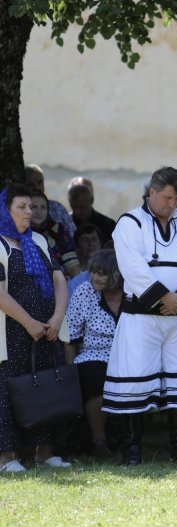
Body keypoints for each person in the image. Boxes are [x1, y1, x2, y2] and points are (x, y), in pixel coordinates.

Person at [102, 167, 177, 466]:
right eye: (167, 197)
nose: (172, 204)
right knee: (135, 379)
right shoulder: (130, 223)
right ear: (152, 192)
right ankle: (132, 449)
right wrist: (165, 297)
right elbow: (132, 267)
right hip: (141, 318)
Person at [0, 184, 71, 472]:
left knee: (45, 387)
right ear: (6, 211)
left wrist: (55, 319)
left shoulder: (39, 241)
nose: (30, 212)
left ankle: (45, 453)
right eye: (22, 207)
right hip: (11, 331)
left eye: (31, 206)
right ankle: (7, 457)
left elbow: (60, 281)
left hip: (44, 330)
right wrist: (28, 322)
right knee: (7, 390)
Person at [66, 249, 123, 458]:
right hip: (93, 353)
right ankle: (99, 441)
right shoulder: (83, 291)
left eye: (102, 273)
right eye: (93, 272)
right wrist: (70, 367)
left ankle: (130, 439)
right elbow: (71, 334)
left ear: (117, 274)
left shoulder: (132, 293)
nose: (96, 278)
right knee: (95, 377)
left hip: (128, 353)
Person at [30, 191, 80, 279]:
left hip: (61, 286)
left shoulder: (57, 231)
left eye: (43, 207)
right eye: (34, 207)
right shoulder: (16, 234)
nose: (39, 212)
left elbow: (72, 267)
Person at [24, 164, 76, 239]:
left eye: (39, 182)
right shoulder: (19, 210)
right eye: (31, 185)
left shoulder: (58, 208)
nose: (37, 187)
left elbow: (73, 236)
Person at [67, 224, 103, 299]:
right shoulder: (69, 273)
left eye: (94, 239)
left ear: (100, 243)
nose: (90, 244)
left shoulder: (108, 271)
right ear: (77, 246)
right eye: (85, 240)